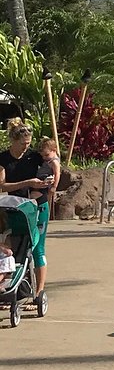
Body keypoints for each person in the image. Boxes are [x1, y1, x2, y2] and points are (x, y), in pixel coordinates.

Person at [0, 119, 54, 300]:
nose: (25, 147)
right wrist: (28, 182)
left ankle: (38, 293)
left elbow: (51, 164)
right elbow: (3, 186)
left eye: (28, 144)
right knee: (14, 247)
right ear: (13, 141)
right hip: (15, 208)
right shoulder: (3, 159)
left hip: (38, 207)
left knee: (37, 248)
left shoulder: (33, 157)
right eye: (23, 144)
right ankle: (13, 290)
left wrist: (47, 180)